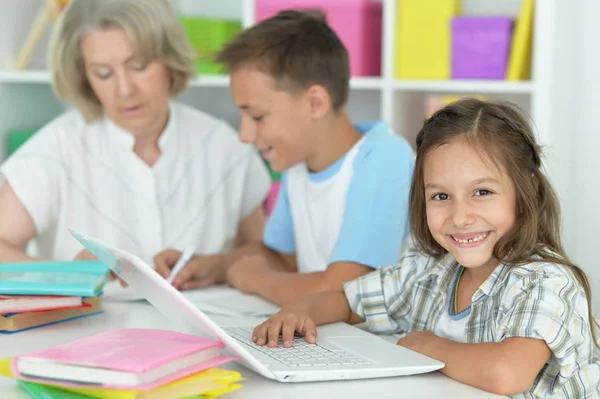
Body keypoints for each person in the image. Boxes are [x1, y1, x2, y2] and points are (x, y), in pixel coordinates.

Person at [251, 98, 600, 398]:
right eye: (441, 196)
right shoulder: (429, 267)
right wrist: (299, 310)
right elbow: (349, 301)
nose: (460, 217)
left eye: (482, 192)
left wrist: (426, 347)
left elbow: (506, 373)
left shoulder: (544, 280)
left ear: (526, 196)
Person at [155, 10, 415, 302]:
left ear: (315, 103)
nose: (244, 135)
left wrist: (257, 280)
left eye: (256, 116)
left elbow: (346, 290)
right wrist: (216, 266)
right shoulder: (298, 166)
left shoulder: (383, 159)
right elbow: (279, 254)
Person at [0, 0, 271, 277]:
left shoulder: (225, 147)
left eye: (139, 66)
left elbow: (265, 255)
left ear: (169, 59)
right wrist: (70, 273)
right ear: (84, 77)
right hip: (93, 320)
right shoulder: (54, 150)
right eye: (103, 74)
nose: (125, 89)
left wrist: (216, 268)